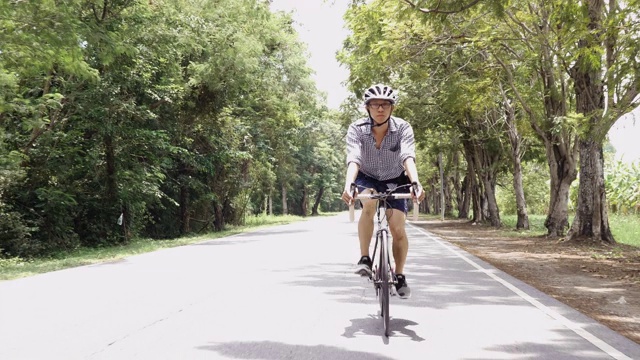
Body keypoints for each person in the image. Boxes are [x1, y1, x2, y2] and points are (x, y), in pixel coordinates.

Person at [341, 83, 425, 299]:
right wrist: (349, 184)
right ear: (367, 108)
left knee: (397, 228)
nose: (380, 109)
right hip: (366, 176)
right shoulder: (356, 129)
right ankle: (365, 259)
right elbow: (354, 158)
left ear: (392, 108)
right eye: (375, 104)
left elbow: (407, 156)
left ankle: (399, 275)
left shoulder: (403, 128)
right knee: (368, 202)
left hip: (395, 178)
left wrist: (415, 182)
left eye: (385, 104)